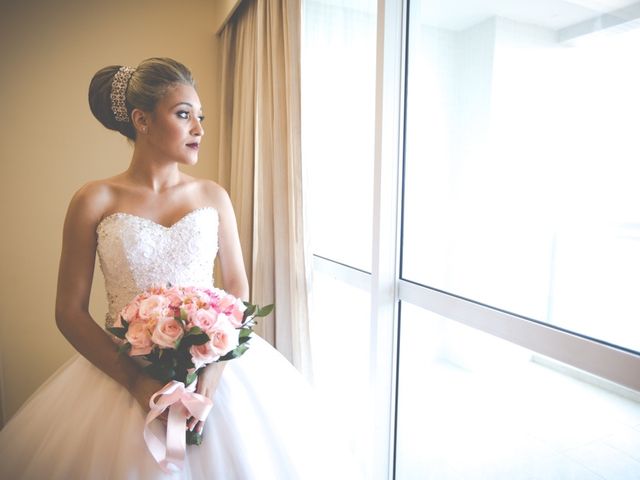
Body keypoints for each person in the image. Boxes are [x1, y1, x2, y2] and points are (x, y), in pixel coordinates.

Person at [0, 57, 358, 479]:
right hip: (125, 378)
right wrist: (136, 383)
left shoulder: (213, 196)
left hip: (217, 376)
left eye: (199, 117)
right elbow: (69, 312)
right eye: (183, 114)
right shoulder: (93, 200)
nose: (199, 129)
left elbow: (237, 288)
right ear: (142, 120)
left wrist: (215, 370)